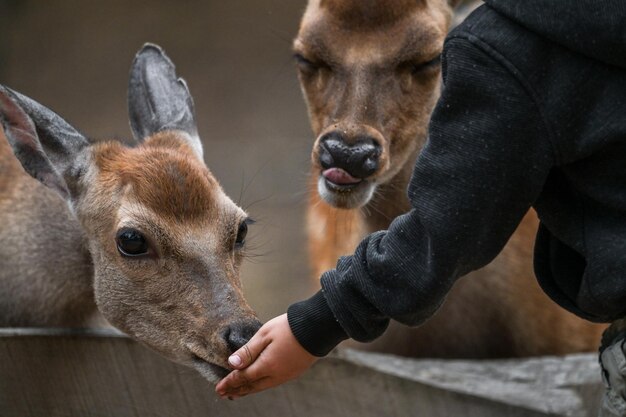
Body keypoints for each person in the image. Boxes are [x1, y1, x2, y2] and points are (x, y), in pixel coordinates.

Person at [216, 1, 626, 414]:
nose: (353, 123)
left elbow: (444, 232)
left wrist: (315, 326)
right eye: (313, 63)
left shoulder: (509, 49)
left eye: (421, 64)